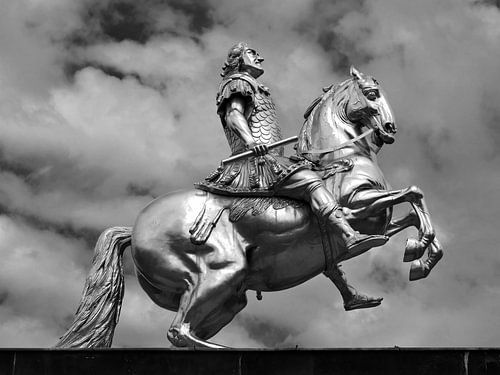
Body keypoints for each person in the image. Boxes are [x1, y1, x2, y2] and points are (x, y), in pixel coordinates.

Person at [198, 42, 388, 258]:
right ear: (238, 60)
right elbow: (233, 114)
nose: (259, 57)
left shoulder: (255, 87)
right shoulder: (238, 82)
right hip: (253, 161)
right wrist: (251, 143)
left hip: (267, 159)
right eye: (252, 53)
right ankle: (348, 235)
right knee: (311, 182)